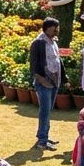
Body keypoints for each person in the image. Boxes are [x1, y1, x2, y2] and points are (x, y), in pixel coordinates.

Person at [28, 17, 63, 151]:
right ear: (48, 28)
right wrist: (43, 81)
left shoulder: (53, 41)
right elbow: (34, 65)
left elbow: (56, 60)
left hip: (54, 82)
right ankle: (42, 141)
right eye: (55, 27)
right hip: (44, 83)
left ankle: (44, 136)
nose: (57, 30)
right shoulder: (39, 42)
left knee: (48, 111)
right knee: (45, 111)